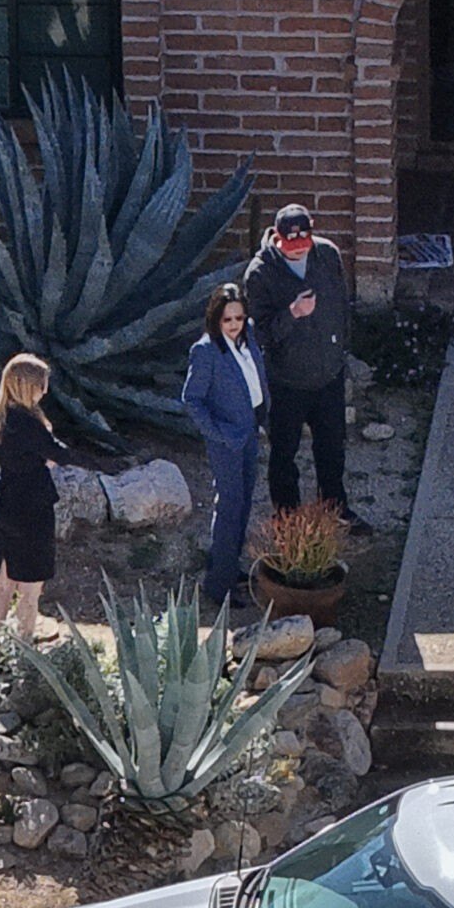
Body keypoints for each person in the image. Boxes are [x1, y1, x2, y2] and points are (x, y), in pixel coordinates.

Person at [241, 204, 371, 534]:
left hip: (328, 374)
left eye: (304, 240)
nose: (298, 249)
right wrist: (293, 314)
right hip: (287, 380)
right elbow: (260, 332)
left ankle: (335, 509)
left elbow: (341, 304)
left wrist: (342, 349)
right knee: (284, 454)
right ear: (277, 238)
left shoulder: (327, 255)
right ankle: (288, 519)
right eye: (291, 243)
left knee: (332, 448)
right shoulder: (260, 273)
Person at [180, 283, 269, 610]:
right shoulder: (205, 351)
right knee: (230, 506)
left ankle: (231, 567)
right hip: (227, 440)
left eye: (239, 318)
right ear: (215, 318)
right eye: (228, 319)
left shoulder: (248, 338)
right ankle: (218, 585)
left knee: (243, 503)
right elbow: (192, 399)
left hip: (248, 433)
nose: (234, 324)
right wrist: (217, 433)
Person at [0, 352, 69, 638]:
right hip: (31, 510)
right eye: (42, 385)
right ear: (31, 387)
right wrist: (112, 465)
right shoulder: (29, 423)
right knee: (31, 589)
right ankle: (24, 654)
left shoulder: (2, 415)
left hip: (6, 504)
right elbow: (59, 454)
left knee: (3, 582)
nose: (45, 391)